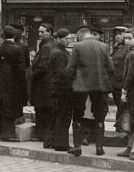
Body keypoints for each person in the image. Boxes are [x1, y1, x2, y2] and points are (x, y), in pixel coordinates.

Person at [66, 26, 114, 157]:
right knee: (99, 115)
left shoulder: (77, 47)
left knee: (78, 114)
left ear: (80, 36)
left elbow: (70, 68)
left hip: (81, 86)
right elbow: (110, 68)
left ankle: (77, 147)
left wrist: (71, 81)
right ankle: (99, 147)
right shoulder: (103, 46)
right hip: (99, 85)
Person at [0, 25, 26, 142]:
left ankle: (2, 131)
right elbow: (21, 68)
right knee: (11, 107)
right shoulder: (17, 49)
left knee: (3, 106)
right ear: (14, 35)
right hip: (13, 82)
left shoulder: (0, 48)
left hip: (2, 80)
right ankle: (9, 133)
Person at [117, 28, 134, 158]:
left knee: (132, 119)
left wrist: (124, 91)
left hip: (132, 90)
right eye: (126, 38)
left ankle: (131, 148)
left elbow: (130, 75)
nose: (127, 41)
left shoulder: (133, 54)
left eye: (130, 38)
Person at [30, 23, 55, 145]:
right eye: (39, 32)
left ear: (49, 32)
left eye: (42, 32)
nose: (40, 34)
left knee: (42, 110)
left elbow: (43, 66)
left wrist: (33, 75)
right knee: (44, 110)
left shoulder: (46, 46)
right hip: (46, 84)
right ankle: (44, 133)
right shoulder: (47, 45)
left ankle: (42, 134)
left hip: (43, 84)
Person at [48, 28, 72, 152]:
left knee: (57, 115)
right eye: (66, 38)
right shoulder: (60, 53)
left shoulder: (57, 51)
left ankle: (51, 141)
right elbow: (62, 73)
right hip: (62, 89)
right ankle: (61, 143)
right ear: (58, 39)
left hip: (56, 87)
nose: (68, 41)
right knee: (63, 116)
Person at [110, 26, 129, 132]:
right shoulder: (118, 47)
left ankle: (121, 127)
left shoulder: (127, 48)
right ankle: (120, 126)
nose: (117, 36)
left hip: (122, 82)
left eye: (119, 34)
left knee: (122, 106)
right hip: (115, 82)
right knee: (120, 106)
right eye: (116, 34)